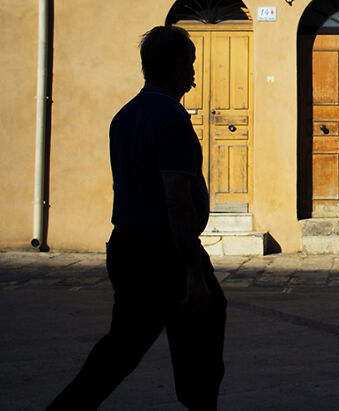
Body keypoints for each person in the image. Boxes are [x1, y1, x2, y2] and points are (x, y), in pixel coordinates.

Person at [48, 26, 226, 410]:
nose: (194, 75)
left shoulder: (124, 116)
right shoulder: (171, 119)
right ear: (175, 66)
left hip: (127, 246)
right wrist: (193, 274)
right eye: (191, 65)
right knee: (200, 348)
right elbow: (176, 200)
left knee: (121, 348)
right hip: (164, 253)